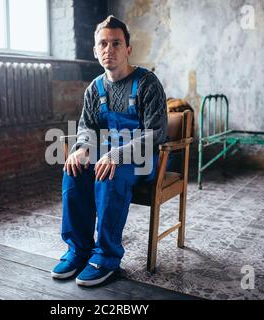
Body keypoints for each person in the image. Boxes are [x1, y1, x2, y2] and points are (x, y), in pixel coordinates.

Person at [51, 15, 168, 286]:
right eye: (103, 44)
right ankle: (78, 249)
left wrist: (117, 154)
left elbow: (156, 133)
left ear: (128, 49)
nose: (109, 49)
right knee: (73, 169)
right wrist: (80, 148)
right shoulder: (95, 88)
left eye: (116, 43)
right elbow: (87, 128)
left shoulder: (148, 83)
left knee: (108, 173)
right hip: (105, 154)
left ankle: (106, 256)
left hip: (141, 159)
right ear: (95, 51)